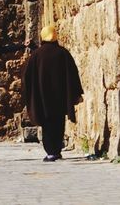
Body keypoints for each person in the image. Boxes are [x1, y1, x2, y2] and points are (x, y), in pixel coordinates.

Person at [21, 24, 83, 161]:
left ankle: (51, 151)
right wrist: (76, 93)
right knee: (58, 122)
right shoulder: (63, 53)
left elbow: (27, 76)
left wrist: (30, 94)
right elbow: (73, 74)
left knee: (47, 124)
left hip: (42, 97)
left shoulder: (36, 55)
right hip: (60, 97)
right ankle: (56, 150)